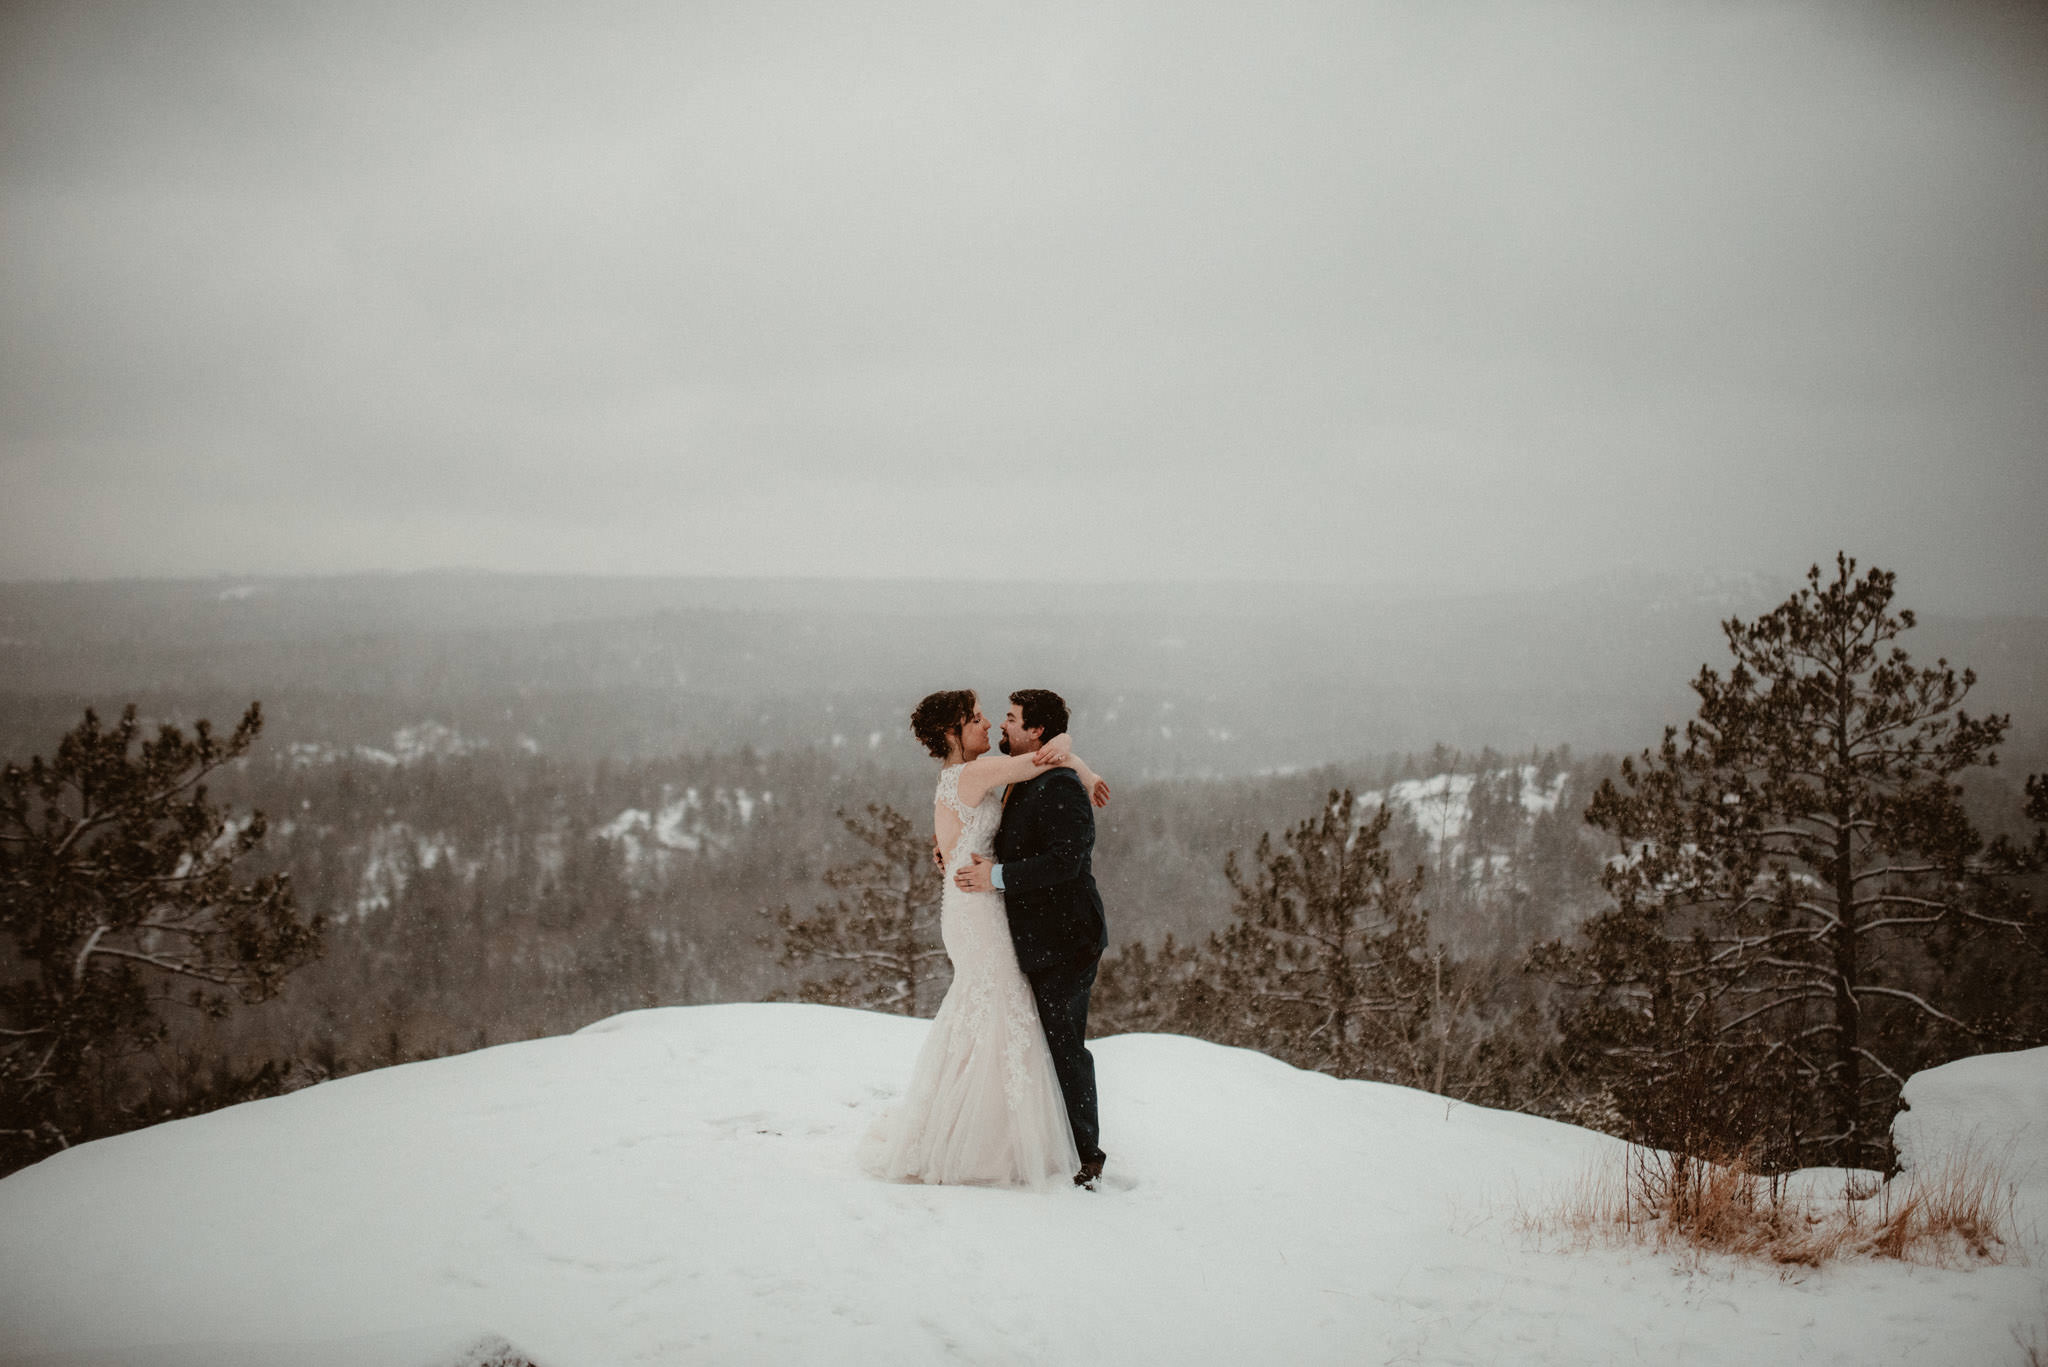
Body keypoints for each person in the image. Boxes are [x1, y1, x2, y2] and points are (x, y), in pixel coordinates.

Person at [860, 689, 1110, 1191]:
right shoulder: (973, 774)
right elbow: (1041, 759)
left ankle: (1004, 1131)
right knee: (996, 1006)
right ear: (953, 733)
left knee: (997, 1011)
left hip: (995, 907)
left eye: (1002, 718)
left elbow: (1043, 768)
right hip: (977, 906)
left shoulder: (973, 774)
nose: (990, 724)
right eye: (976, 719)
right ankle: (987, 1134)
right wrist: (1079, 764)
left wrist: (1081, 771)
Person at [953, 688, 1111, 1188]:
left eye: (1011, 719)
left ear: (1036, 731)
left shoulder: (1061, 784)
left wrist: (997, 876)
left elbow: (1067, 862)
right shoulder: (1024, 774)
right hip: (1036, 936)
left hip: (1067, 938)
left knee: (1064, 1046)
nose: (1003, 725)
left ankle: (1089, 1157)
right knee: (1043, 1045)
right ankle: (1053, 1141)